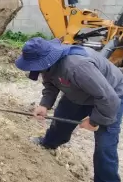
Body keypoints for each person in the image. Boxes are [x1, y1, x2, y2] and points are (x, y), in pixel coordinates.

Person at [15, 37, 123, 182]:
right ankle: (49, 143)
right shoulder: (49, 65)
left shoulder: (76, 67)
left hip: (110, 96)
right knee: (60, 122)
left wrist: (94, 120)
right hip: (80, 92)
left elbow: (109, 98)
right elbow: (50, 83)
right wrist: (45, 104)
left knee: (105, 145)